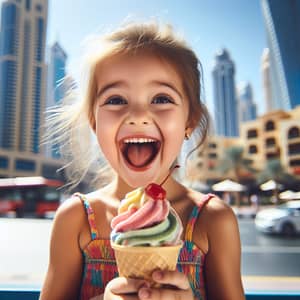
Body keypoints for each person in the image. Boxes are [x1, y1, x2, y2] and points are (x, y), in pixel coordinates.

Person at [40, 21, 245, 300]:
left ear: (189, 120)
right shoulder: (75, 219)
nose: (137, 114)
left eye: (161, 98)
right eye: (115, 100)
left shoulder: (213, 220)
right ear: (94, 122)